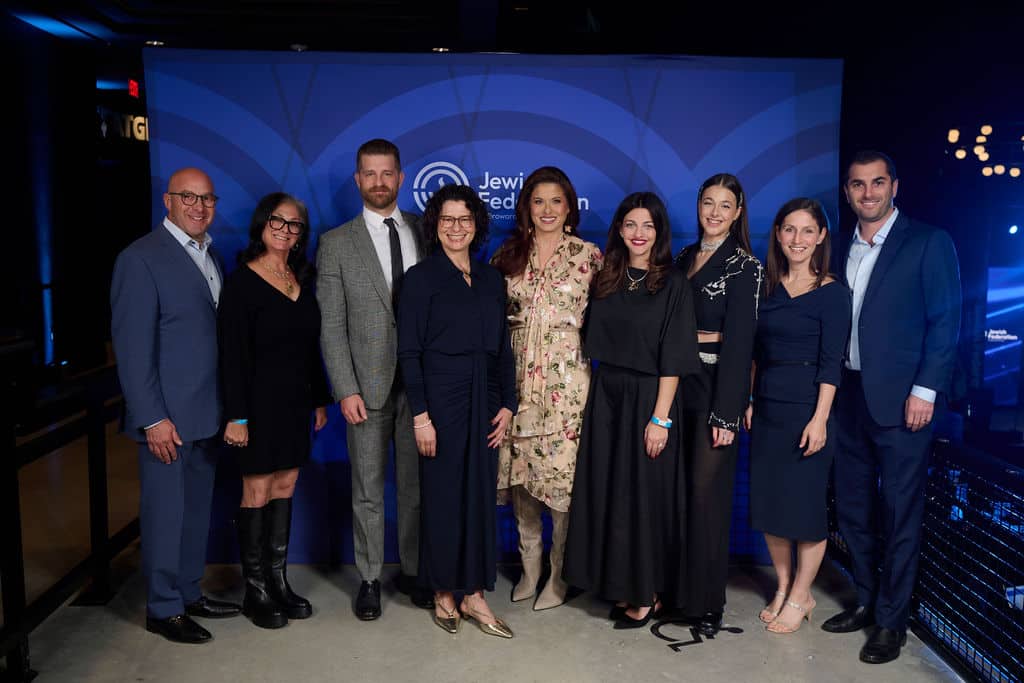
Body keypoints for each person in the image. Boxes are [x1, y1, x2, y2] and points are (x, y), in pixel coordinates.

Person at [822, 151, 961, 664]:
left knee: (900, 514)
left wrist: (926, 389)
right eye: (858, 185)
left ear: (894, 187)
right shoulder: (839, 246)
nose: (868, 193)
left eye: (877, 183)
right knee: (852, 509)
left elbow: (945, 320)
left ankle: (891, 622)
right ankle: (865, 600)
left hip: (904, 403)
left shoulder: (928, 242)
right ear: (847, 192)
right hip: (848, 397)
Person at [110, 168, 241, 643]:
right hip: (166, 419)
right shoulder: (140, 259)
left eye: (207, 199)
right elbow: (132, 349)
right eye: (188, 197)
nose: (199, 206)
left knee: (195, 513)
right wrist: (152, 418)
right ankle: (163, 608)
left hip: (205, 414)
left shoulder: (210, 254)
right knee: (166, 516)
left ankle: (188, 593)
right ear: (168, 201)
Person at [563, 191, 699, 629]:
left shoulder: (673, 283)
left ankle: (648, 594)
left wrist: (660, 419)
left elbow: (674, 357)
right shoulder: (606, 277)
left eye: (648, 226)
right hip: (607, 396)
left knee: (645, 499)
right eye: (631, 224)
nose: (639, 233)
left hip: (650, 396)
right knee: (612, 494)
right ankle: (620, 585)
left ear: (659, 232)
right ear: (619, 229)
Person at [316, 138, 432, 620]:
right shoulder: (336, 243)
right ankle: (368, 578)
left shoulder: (427, 231)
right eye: (370, 173)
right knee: (367, 488)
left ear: (401, 178)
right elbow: (331, 325)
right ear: (358, 179)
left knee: (415, 487)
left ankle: (414, 570)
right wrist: (345, 388)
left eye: (387, 173)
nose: (379, 182)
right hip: (366, 388)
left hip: (421, 387)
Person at [397, 184, 517, 638]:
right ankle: (444, 591)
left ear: (476, 225)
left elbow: (502, 348)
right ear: (435, 225)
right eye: (447, 219)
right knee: (444, 497)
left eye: (464, 219)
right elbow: (409, 353)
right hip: (441, 399)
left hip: (485, 398)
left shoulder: (491, 279)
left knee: (480, 498)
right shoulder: (420, 278)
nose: (456, 227)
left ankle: (474, 594)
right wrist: (421, 417)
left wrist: (508, 404)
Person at [217, 192, 331, 629]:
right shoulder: (241, 283)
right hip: (256, 407)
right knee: (257, 490)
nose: (285, 230)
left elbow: (309, 348)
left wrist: (318, 399)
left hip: (295, 404)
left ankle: (278, 581)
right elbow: (232, 356)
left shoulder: (300, 278)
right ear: (262, 225)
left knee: (285, 484)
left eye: (294, 224)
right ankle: (256, 590)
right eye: (277, 222)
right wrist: (237, 416)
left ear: (301, 234)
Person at [491, 166, 602, 610]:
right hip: (517, 380)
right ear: (527, 207)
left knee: (561, 486)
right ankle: (529, 570)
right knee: (522, 482)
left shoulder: (589, 256)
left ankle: (559, 576)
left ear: (569, 206)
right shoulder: (508, 254)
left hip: (567, 385)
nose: (548, 209)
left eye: (556, 201)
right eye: (539, 201)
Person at [744, 198, 851, 633]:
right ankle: (784, 586)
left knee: (805, 510)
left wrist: (820, 418)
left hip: (809, 410)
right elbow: (756, 354)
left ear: (821, 236)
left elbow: (831, 363)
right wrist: (751, 400)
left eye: (808, 230)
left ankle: (803, 594)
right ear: (777, 234)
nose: (798, 239)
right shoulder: (766, 290)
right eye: (789, 229)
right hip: (768, 409)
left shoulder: (832, 293)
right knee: (771, 505)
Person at [674, 173, 763, 636]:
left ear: (738, 212)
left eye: (725, 205)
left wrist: (728, 412)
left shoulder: (745, 266)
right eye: (708, 202)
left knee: (707, 498)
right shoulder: (683, 257)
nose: (715, 212)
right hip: (674, 388)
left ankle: (707, 603)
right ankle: (675, 592)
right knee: (675, 493)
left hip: (714, 389)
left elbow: (741, 344)